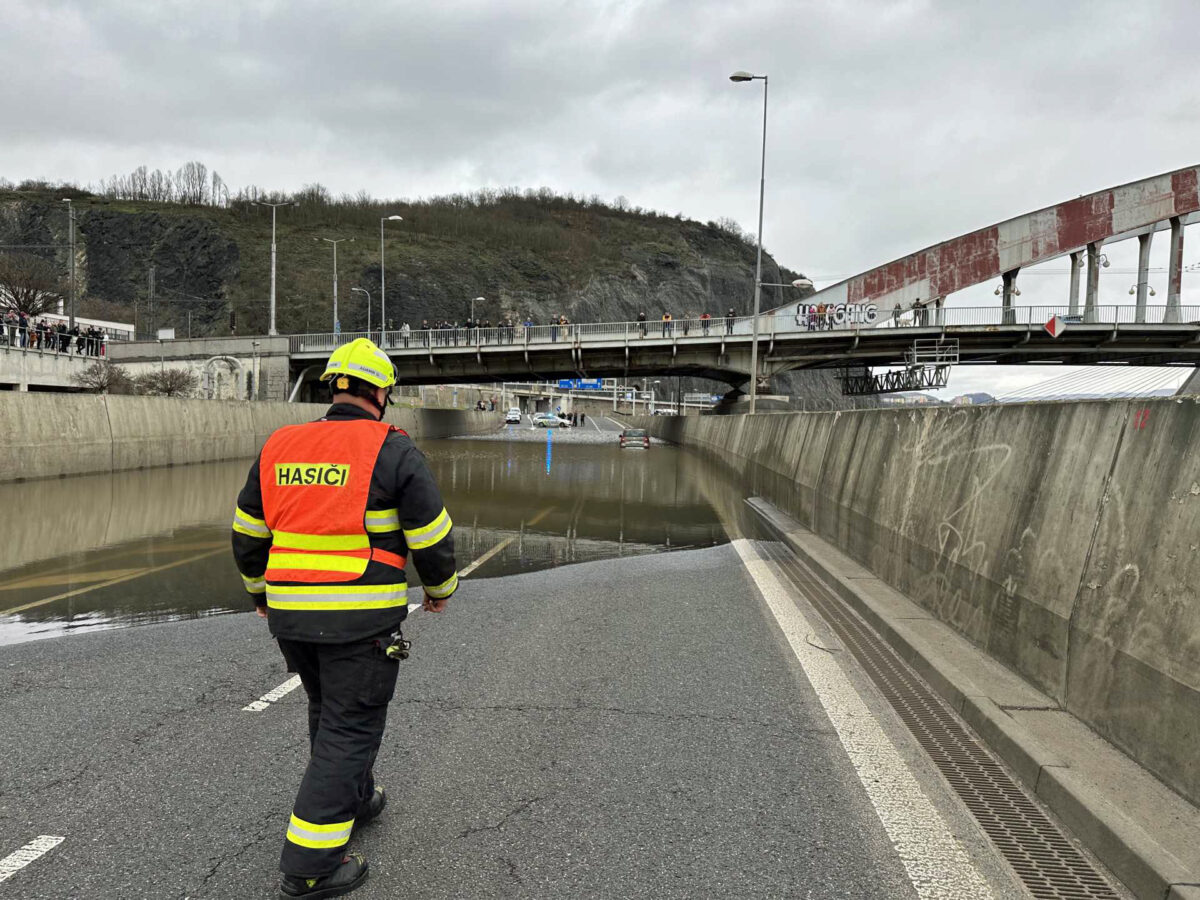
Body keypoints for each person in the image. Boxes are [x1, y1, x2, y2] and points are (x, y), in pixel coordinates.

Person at [231, 338, 458, 899]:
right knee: (350, 725)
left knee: (327, 710)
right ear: (381, 391)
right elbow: (432, 535)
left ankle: (354, 801)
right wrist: (439, 590)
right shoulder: (392, 448)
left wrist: (260, 593)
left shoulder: (282, 444)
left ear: (334, 386)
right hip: (360, 620)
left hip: (290, 618)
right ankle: (309, 866)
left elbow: (246, 534)